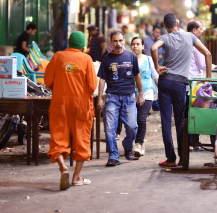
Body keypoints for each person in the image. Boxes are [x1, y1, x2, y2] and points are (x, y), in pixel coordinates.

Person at [151, 13, 212, 167]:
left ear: (165, 26)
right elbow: (207, 54)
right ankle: (183, 158)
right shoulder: (190, 37)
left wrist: (157, 67)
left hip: (165, 82)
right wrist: (209, 78)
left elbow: (153, 48)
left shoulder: (164, 38)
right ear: (177, 23)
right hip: (180, 85)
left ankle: (170, 159)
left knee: (166, 121)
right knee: (180, 122)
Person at [45, 31, 98, 190]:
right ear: (83, 46)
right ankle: (76, 177)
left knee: (58, 138)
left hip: (60, 103)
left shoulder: (57, 57)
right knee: (82, 140)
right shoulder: (87, 59)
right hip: (81, 105)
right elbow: (92, 86)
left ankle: (63, 168)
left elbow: (47, 81)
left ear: (69, 43)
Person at [97, 31, 145, 167]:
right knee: (110, 128)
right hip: (112, 96)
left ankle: (128, 146)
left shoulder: (131, 56)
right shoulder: (106, 58)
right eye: (115, 41)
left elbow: (137, 76)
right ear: (111, 42)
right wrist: (100, 98)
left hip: (129, 97)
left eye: (120, 41)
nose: (118, 44)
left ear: (124, 41)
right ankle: (113, 155)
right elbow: (102, 79)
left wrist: (140, 94)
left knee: (132, 126)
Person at [187, 20, 217, 151]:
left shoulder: (182, 42)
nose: (202, 31)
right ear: (194, 31)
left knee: (188, 112)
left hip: (184, 83)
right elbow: (203, 64)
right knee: (199, 110)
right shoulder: (196, 44)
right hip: (194, 85)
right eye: (200, 29)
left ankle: (192, 141)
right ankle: (194, 140)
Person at [131, 37, 159, 157]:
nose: (135, 46)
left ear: (143, 46)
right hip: (131, 93)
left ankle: (138, 143)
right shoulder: (128, 60)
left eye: (138, 44)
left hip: (147, 92)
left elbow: (155, 75)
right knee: (131, 122)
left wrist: (162, 91)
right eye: (133, 44)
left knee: (141, 118)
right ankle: (134, 142)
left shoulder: (148, 59)